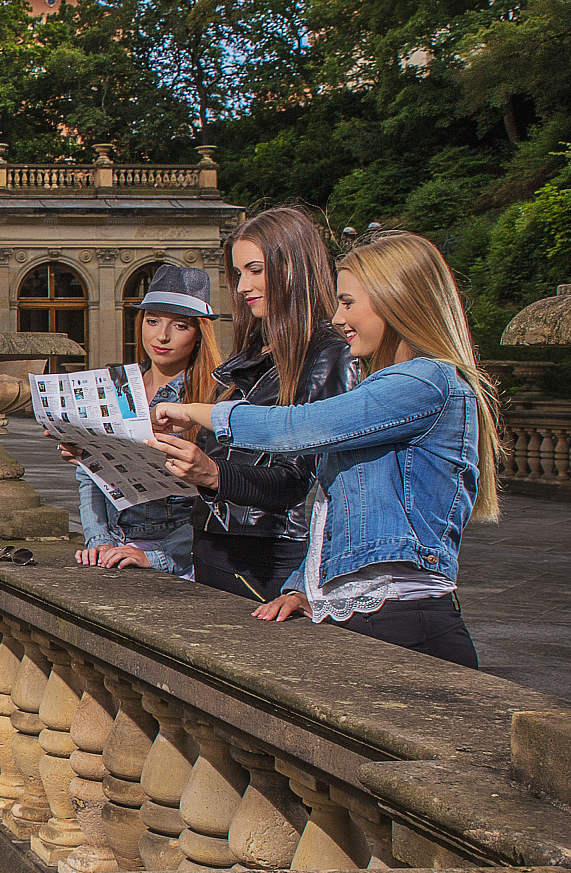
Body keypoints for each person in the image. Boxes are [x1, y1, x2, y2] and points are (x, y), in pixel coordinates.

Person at [154, 230, 500, 667]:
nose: (337, 318)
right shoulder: (387, 386)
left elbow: (297, 429)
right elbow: (332, 509)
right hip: (365, 615)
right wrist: (306, 586)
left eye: (348, 302)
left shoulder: (426, 382)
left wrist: (198, 412)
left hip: (405, 621)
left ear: (396, 300)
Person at [146, 209, 356, 601]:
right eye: (239, 273)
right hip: (211, 541)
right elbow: (231, 455)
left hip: (271, 554)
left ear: (294, 268)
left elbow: (299, 482)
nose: (242, 286)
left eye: (255, 270)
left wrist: (213, 474)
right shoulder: (255, 352)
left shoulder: (329, 356)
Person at [66, 263, 221, 575]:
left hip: (177, 556)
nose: (161, 336)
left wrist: (159, 556)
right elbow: (91, 478)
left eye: (180, 326)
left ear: (199, 333)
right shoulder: (118, 385)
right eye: (152, 321)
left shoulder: (213, 398)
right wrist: (97, 540)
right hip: (112, 547)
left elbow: (221, 496)